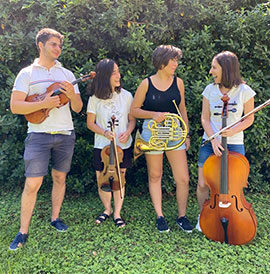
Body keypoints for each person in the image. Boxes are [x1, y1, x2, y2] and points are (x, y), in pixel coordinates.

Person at [9, 28, 83, 250]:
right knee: (33, 183)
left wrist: (71, 95)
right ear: (40, 45)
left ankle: (55, 218)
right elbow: (15, 106)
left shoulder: (68, 75)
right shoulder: (27, 73)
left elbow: (78, 108)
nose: (57, 48)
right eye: (53, 44)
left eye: (59, 45)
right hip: (38, 135)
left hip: (65, 133)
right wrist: (43, 104)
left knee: (60, 178)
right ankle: (23, 231)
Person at [130, 45, 193, 233]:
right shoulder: (146, 84)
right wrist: (153, 114)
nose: (175, 63)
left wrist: (186, 133)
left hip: (174, 133)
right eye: (172, 60)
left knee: (183, 178)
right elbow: (133, 110)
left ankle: (182, 216)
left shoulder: (178, 83)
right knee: (155, 175)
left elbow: (182, 110)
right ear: (161, 61)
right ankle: (160, 216)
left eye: (176, 60)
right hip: (152, 133)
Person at [196, 51, 256, 231]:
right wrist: (214, 139)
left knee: (233, 185)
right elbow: (205, 119)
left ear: (227, 69)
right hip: (211, 142)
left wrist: (232, 131)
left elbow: (248, 119)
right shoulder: (209, 90)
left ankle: (233, 215)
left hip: (235, 143)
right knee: (202, 183)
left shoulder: (245, 91)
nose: (210, 71)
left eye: (214, 67)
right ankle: (204, 215)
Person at [87, 59, 135, 228]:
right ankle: (107, 209)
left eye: (118, 71)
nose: (118, 75)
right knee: (102, 177)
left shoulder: (127, 96)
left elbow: (132, 120)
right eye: (114, 72)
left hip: (123, 146)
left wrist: (128, 132)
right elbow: (90, 123)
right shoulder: (94, 98)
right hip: (102, 145)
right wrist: (105, 132)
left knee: (120, 178)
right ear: (104, 75)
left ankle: (117, 213)